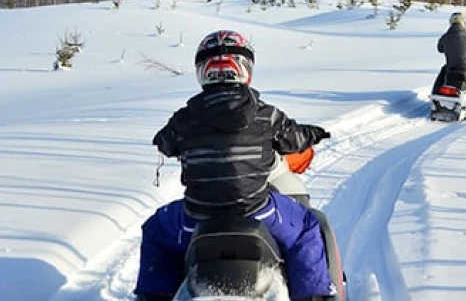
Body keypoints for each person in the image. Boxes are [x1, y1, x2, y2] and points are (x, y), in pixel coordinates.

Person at [133, 30, 337, 301]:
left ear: (202, 70)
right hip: (256, 211)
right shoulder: (266, 115)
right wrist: (315, 133)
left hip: (197, 216)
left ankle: (154, 296)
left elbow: (165, 143)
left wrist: (172, 142)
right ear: (245, 68)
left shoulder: (184, 118)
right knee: (307, 227)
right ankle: (314, 297)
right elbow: (294, 139)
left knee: (156, 229)